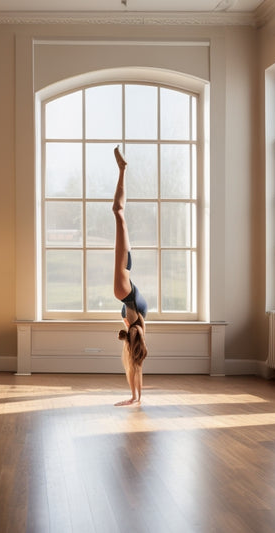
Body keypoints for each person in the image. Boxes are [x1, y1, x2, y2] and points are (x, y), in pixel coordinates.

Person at [112, 146, 148, 406]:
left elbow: (136, 368)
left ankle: (123, 171)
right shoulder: (130, 308)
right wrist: (134, 396)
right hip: (126, 285)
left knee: (119, 215)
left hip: (129, 274)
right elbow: (134, 369)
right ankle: (123, 170)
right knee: (118, 213)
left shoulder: (140, 327)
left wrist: (136, 397)